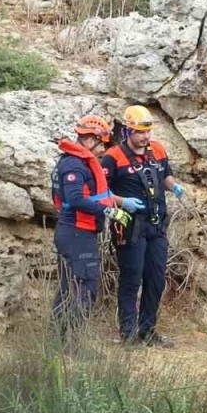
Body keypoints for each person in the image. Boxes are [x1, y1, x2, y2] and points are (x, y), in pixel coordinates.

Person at [101, 105, 184, 348]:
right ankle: (128, 333)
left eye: (147, 131)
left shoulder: (157, 149)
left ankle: (147, 330)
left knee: (156, 278)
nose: (145, 137)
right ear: (127, 131)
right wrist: (121, 201)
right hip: (130, 226)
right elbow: (101, 190)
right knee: (131, 277)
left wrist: (174, 186)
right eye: (139, 132)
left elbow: (165, 174)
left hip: (156, 224)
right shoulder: (113, 156)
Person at [50, 114, 133, 343]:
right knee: (84, 288)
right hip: (76, 233)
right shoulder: (73, 165)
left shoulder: (75, 162)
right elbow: (75, 199)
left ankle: (57, 343)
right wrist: (110, 211)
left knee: (69, 289)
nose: (102, 150)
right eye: (101, 144)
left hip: (77, 232)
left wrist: (118, 204)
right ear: (88, 140)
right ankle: (72, 344)